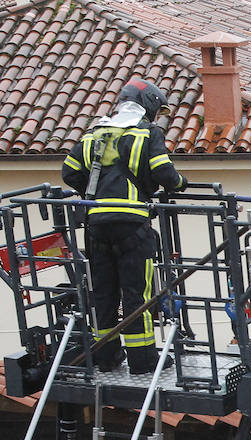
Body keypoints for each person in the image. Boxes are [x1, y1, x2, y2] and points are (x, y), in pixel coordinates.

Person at [62, 77, 186, 373]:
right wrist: (180, 183)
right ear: (150, 107)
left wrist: (94, 195)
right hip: (132, 224)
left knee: (103, 293)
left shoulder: (95, 134)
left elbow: (69, 173)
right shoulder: (148, 133)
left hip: (96, 225)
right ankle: (143, 361)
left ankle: (107, 357)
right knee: (136, 294)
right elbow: (163, 172)